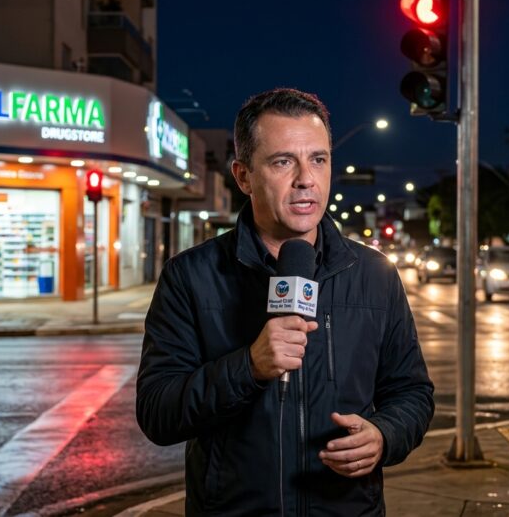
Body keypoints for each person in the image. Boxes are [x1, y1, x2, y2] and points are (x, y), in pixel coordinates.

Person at [137, 88, 434, 515]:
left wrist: (384, 435)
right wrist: (249, 366)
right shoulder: (190, 276)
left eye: (318, 159)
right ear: (243, 177)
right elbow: (157, 413)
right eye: (282, 162)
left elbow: (412, 393)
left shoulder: (375, 274)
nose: (305, 179)